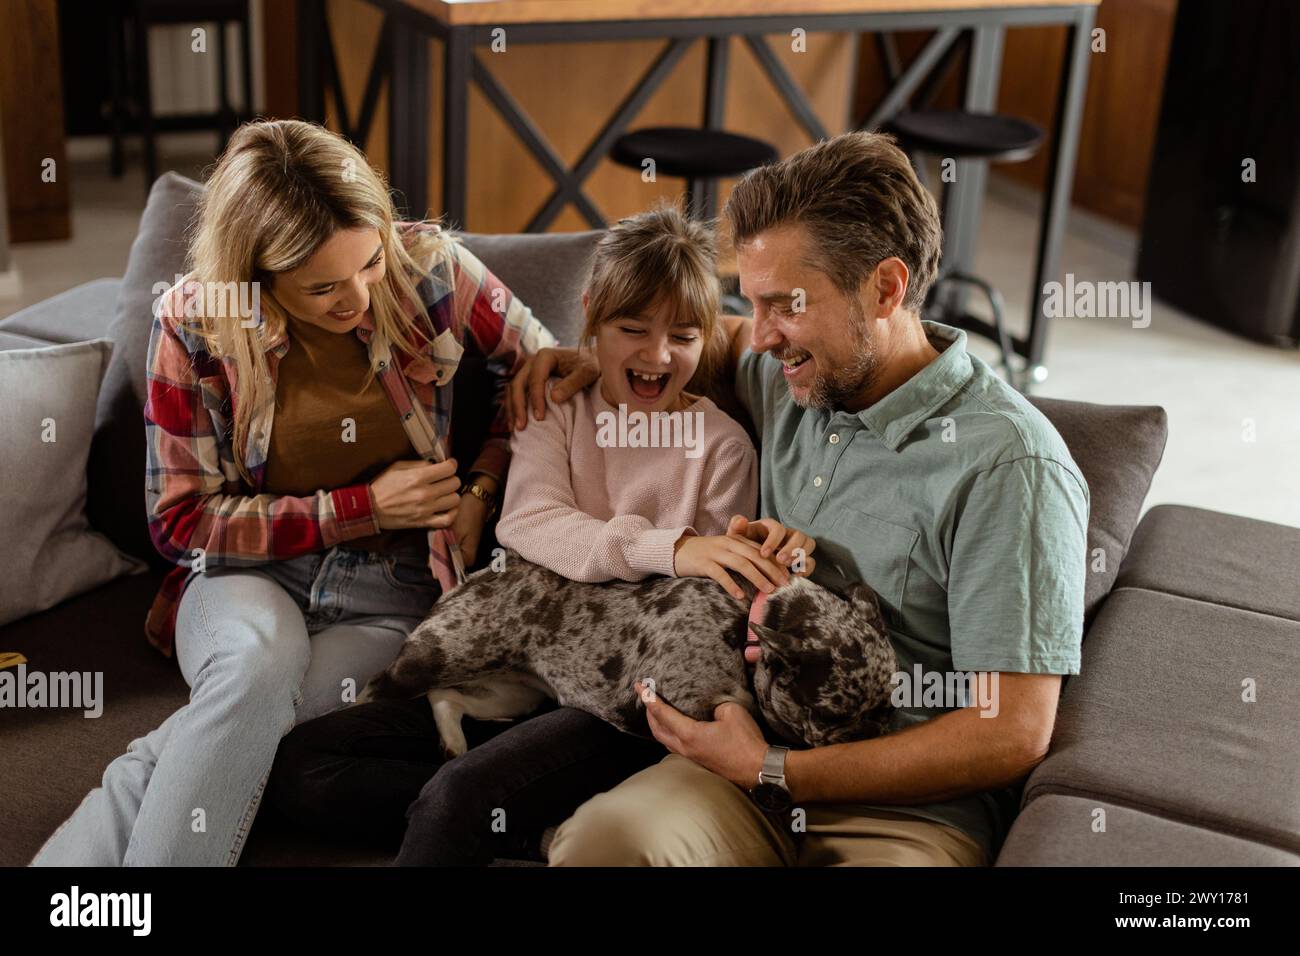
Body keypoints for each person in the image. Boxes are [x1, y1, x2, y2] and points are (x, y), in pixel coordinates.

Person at [513, 131, 1091, 867]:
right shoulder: (794, 372)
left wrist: (774, 769)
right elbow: (703, 339)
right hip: (734, 772)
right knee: (605, 842)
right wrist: (596, 358)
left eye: (784, 306)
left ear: (885, 287)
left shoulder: (1010, 465)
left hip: (905, 814)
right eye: (750, 304)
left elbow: (1009, 731)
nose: (760, 335)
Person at [31, 119, 553, 866]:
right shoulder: (195, 320)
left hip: (393, 589)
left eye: (369, 262)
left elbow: (546, 374)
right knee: (250, 671)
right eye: (322, 286)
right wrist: (362, 509)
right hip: (248, 579)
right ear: (258, 277)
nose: (362, 298)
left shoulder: (430, 266)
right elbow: (180, 523)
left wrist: (481, 481)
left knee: (226, 728)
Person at [267, 205, 802, 865]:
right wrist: (668, 549)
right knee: (301, 765)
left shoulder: (721, 446)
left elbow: (697, 617)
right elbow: (531, 524)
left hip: (617, 700)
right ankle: (522, 828)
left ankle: (476, 811)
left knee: (456, 799)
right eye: (632, 329)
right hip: (511, 668)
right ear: (591, 319)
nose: (659, 356)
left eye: (685, 336)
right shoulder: (557, 409)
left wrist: (679, 558)